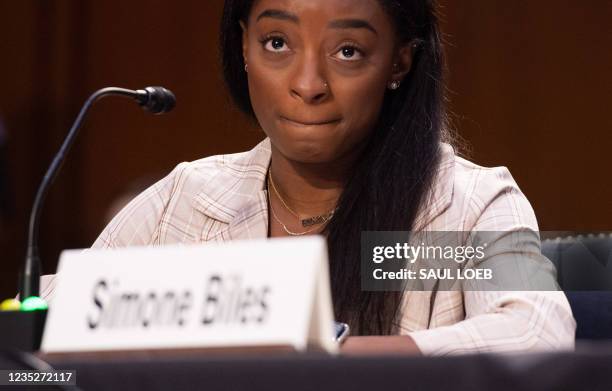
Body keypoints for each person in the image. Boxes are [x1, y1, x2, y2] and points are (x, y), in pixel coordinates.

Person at [39, 0, 575, 355]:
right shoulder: (189, 198)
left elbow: (536, 332)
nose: (308, 84)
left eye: (348, 51)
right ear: (243, 46)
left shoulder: (464, 209)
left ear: (399, 63)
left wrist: (325, 358)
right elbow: (43, 339)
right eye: (277, 43)